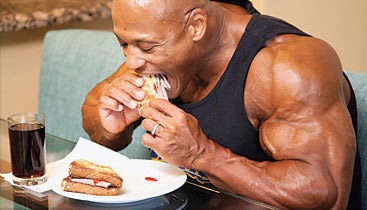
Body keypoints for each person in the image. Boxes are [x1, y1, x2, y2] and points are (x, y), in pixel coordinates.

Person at [81, 0, 361, 209]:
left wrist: (202, 154)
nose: (131, 62)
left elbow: (327, 193)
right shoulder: (157, 51)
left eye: (146, 47)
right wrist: (112, 129)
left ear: (197, 25)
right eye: (123, 45)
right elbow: (95, 111)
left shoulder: (288, 66)